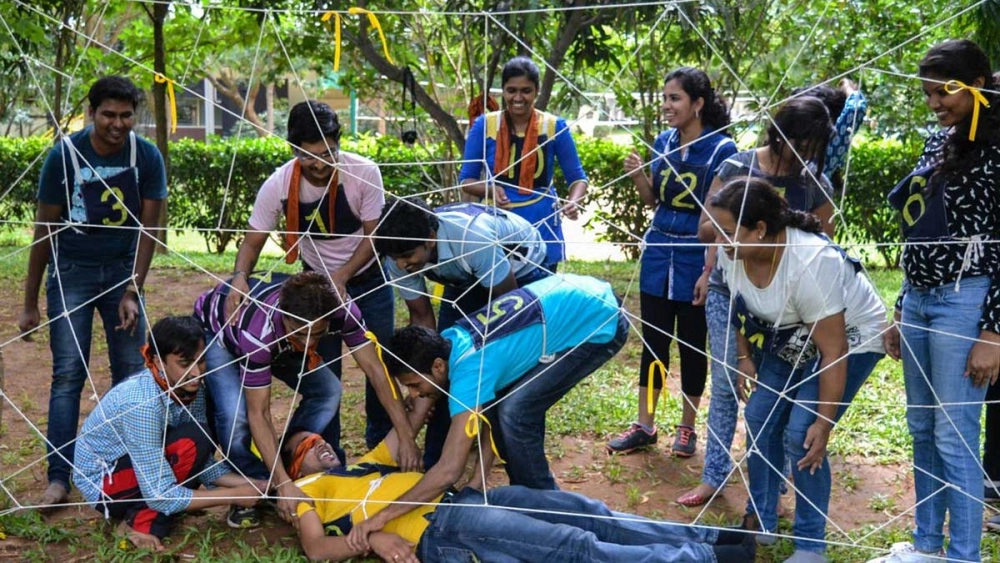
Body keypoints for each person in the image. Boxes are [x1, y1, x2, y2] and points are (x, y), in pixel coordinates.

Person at [343, 273, 629, 550]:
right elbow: (486, 409)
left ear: (438, 367)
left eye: (415, 386)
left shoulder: (468, 370)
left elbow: (448, 470)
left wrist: (381, 516)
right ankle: (534, 500)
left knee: (515, 413)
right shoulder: (450, 339)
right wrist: (478, 482)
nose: (415, 395)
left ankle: (549, 508)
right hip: (578, 294)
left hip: (600, 319)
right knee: (506, 409)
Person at [707, 177, 886, 563]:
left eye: (727, 230)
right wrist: (743, 357)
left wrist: (824, 422)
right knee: (759, 416)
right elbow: (737, 307)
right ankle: (763, 519)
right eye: (717, 229)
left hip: (851, 338)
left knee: (802, 432)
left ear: (759, 230)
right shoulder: (733, 250)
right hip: (791, 332)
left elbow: (833, 349)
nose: (719, 240)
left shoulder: (810, 262)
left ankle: (810, 546)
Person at [872, 39, 1000, 563]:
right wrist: (903, 306)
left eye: (941, 93)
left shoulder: (997, 149)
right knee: (922, 428)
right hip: (921, 300)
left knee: (955, 435)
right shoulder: (938, 142)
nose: (933, 104)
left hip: (965, 302)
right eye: (926, 94)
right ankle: (926, 547)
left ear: (975, 82)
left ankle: (963, 555)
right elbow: (920, 229)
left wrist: (993, 332)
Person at [17, 75, 167, 511]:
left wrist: (132, 290)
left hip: (122, 273)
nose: (117, 124)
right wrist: (29, 302)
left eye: (126, 115)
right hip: (72, 273)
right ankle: (59, 478)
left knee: (133, 375)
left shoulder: (146, 156)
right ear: (92, 113)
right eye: (108, 114)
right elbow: (43, 230)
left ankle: (127, 467)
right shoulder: (64, 155)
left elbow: (149, 228)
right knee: (68, 374)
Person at [281, 426, 757, 562]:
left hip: (465, 501)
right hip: (443, 527)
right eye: (307, 444)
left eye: (322, 438)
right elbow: (317, 548)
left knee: (588, 513)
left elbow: (415, 404)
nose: (321, 443)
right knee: (573, 548)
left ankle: (713, 540)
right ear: (294, 466)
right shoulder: (305, 490)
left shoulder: (365, 465)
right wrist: (372, 537)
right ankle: (702, 560)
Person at [679, 96, 836, 508]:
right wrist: (739, 239)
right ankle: (714, 475)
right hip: (730, 291)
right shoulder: (737, 166)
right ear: (778, 132)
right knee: (729, 381)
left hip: (789, 306)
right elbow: (703, 229)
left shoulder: (816, 180)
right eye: (798, 144)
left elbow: (824, 244)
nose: (804, 155)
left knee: (778, 389)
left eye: (812, 148)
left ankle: (769, 479)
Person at [225, 100, 396, 456]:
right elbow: (254, 238)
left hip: (369, 281)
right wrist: (240, 276)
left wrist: (344, 275)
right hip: (317, 291)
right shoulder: (280, 184)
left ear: (339, 142)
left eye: (328, 153)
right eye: (308, 156)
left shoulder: (364, 172)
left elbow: (374, 235)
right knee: (325, 373)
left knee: (378, 366)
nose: (319, 164)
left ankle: (381, 447)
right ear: (292, 149)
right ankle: (325, 453)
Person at [194, 271, 419, 528]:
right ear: (283, 315)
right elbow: (260, 413)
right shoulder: (260, 330)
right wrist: (283, 485)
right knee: (237, 416)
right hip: (219, 333)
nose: (309, 342)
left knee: (328, 391)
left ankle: (288, 465)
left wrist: (406, 437)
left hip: (279, 343)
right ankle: (255, 486)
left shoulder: (341, 308)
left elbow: (377, 372)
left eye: (318, 333)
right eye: (300, 333)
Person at [606, 67, 737, 458]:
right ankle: (645, 424)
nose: (666, 106)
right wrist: (638, 177)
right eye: (665, 98)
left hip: (696, 256)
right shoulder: (663, 142)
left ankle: (687, 427)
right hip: (659, 251)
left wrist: (709, 269)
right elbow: (654, 201)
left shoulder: (721, 150)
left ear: (698, 104)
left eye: (675, 98)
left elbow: (718, 218)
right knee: (654, 340)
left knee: (693, 344)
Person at [72, 316, 266, 551]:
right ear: (158, 361)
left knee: (197, 437)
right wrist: (234, 495)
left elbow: (200, 461)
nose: (196, 372)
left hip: (140, 469)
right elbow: (158, 493)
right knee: (192, 440)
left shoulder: (189, 388)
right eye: (185, 363)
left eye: (201, 361)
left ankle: (155, 511)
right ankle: (137, 524)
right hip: (105, 486)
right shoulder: (142, 404)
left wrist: (255, 484)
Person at [459, 56, 589, 272]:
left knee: (540, 297)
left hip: (542, 224)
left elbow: (577, 178)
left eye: (526, 91)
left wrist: (573, 202)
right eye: (511, 90)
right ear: (503, 91)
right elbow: (466, 180)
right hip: (496, 226)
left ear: (536, 91)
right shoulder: (485, 125)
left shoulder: (554, 126)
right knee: (499, 296)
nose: (518, 97)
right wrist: (490, 190)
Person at [375, 196, 548, 330]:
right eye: (394, 258)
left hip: (525, 266)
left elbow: (510, 305)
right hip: (465, 275)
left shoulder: (473, 240)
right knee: (451, 340)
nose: (400, 265)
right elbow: (421, 316)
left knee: (516, 336)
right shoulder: (397, 251)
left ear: (431, 238)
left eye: (407, 256)